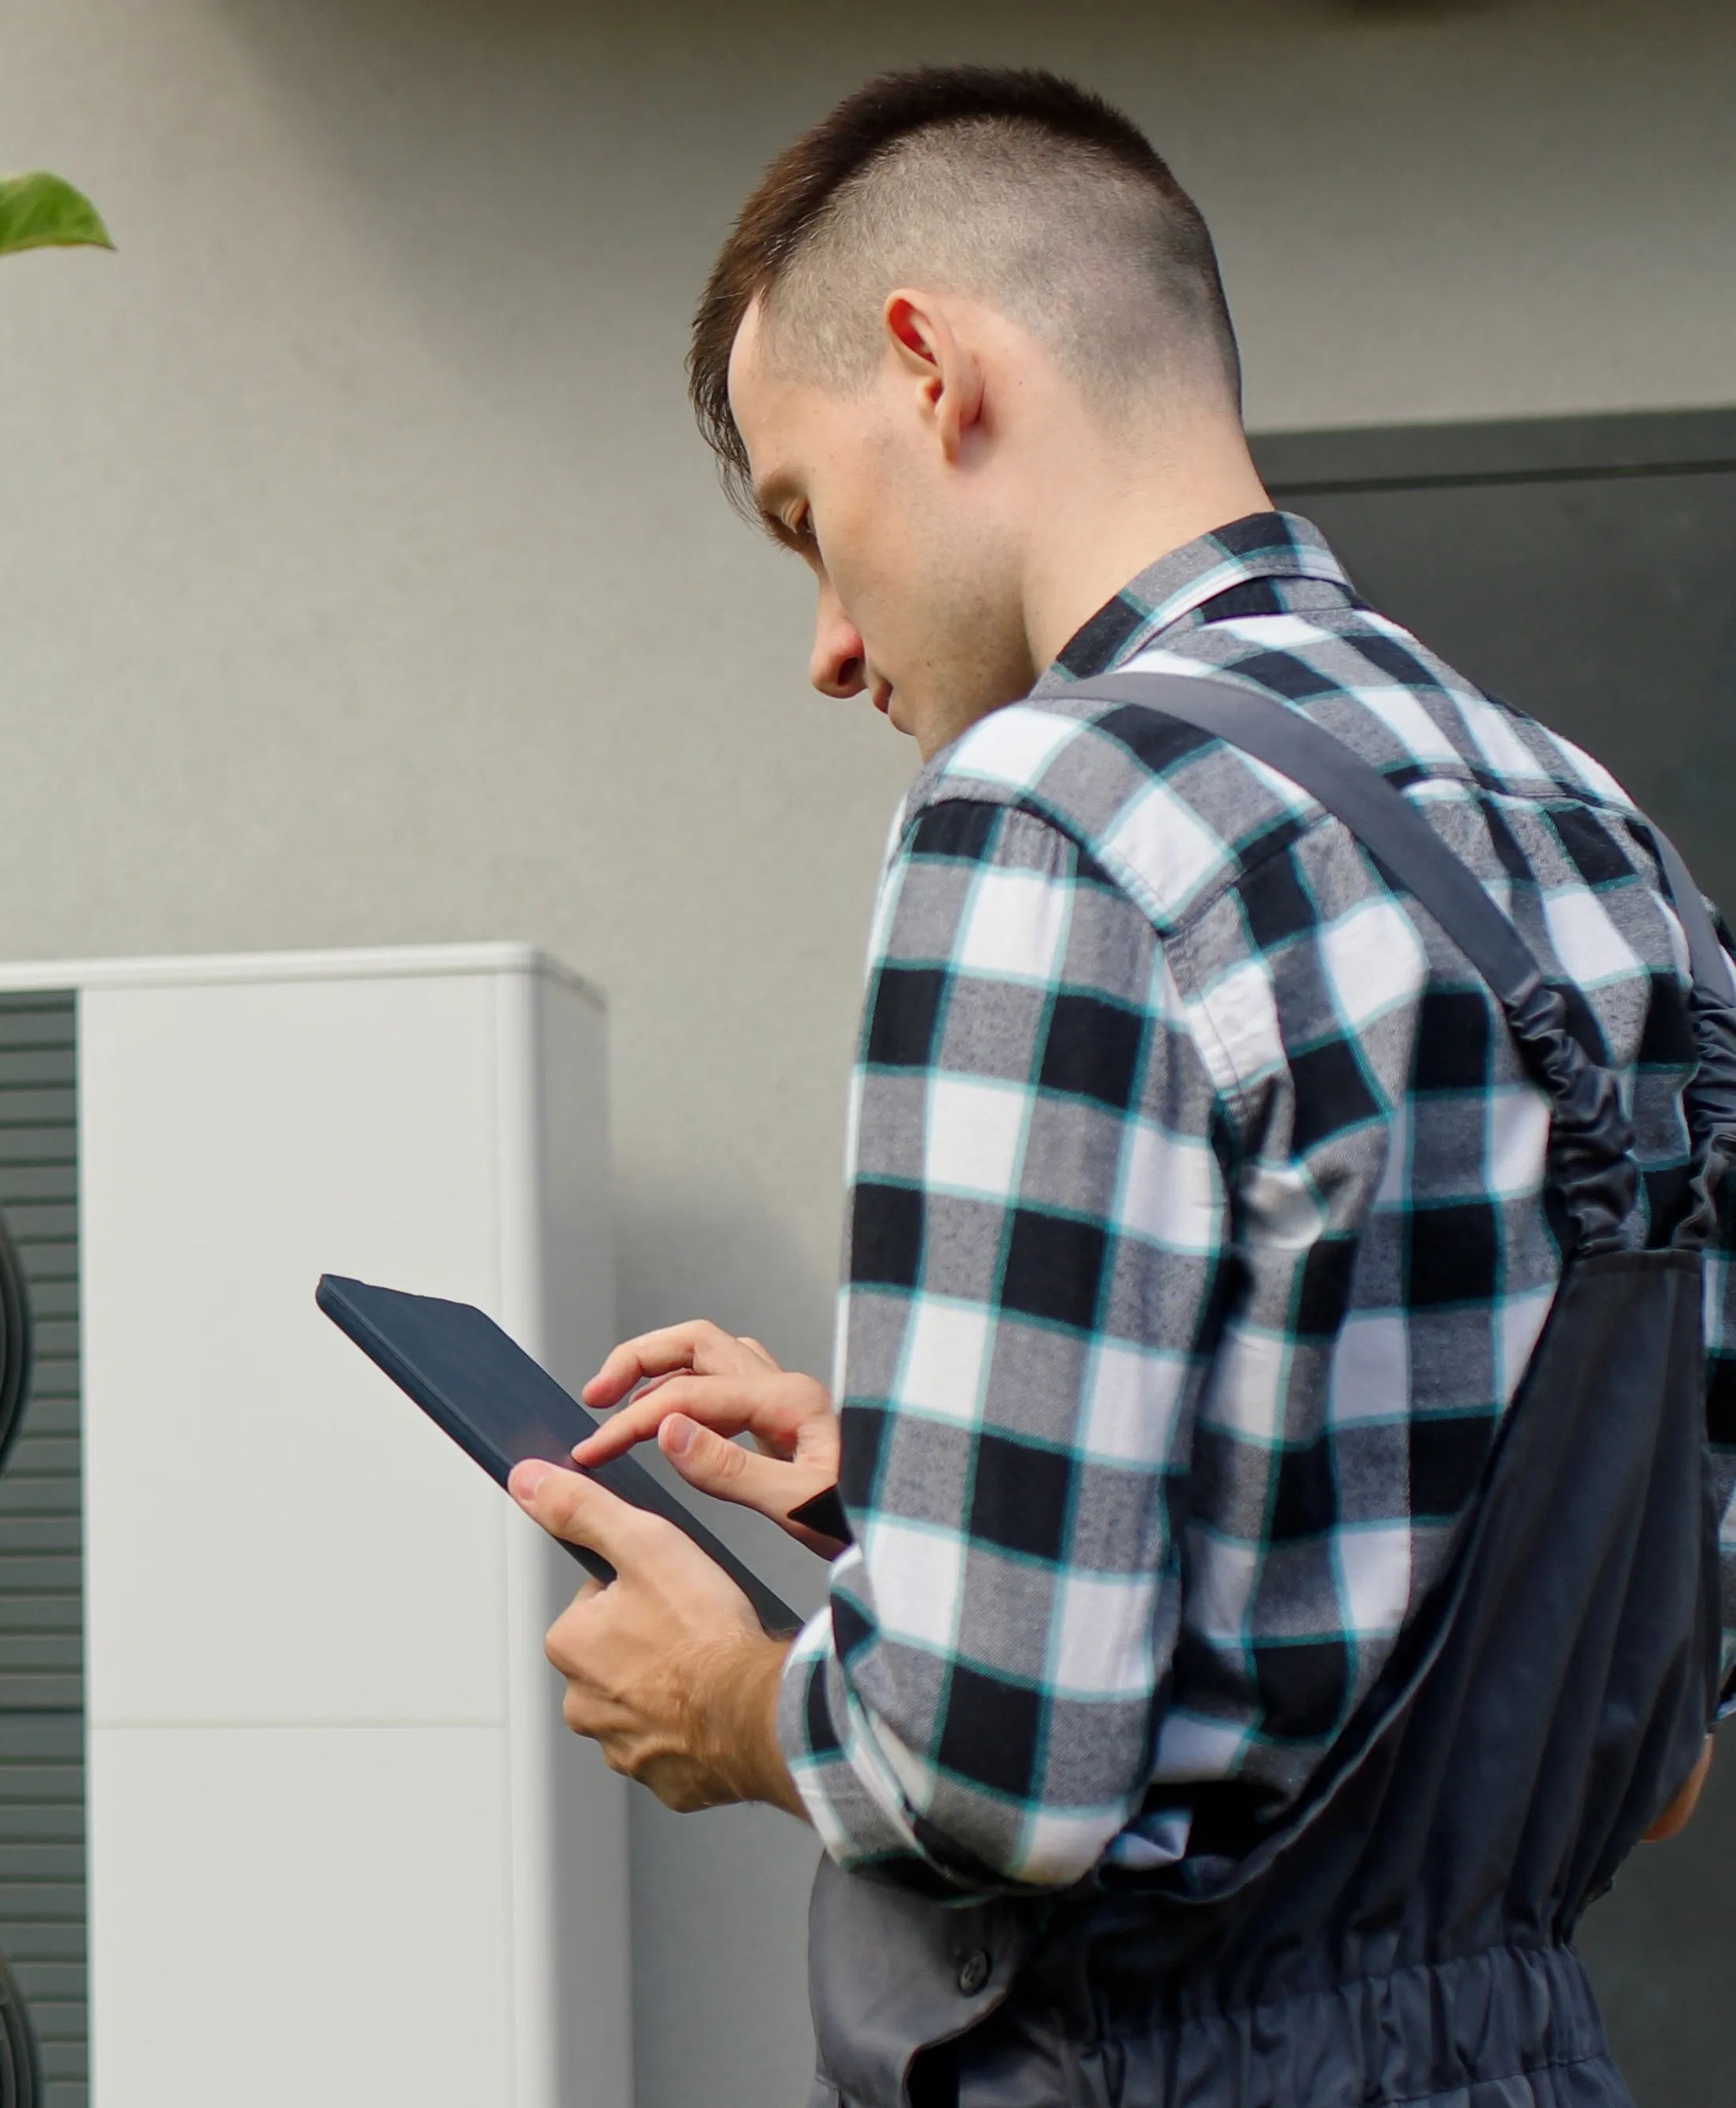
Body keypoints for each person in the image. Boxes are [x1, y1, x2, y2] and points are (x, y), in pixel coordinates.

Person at [505, 64, 1736, 2106]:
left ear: (932, 367)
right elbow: (1654, 1742)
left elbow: (990, 1771)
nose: (823, 643)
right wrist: (898, 1486)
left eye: (809, 517)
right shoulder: (1607, 843)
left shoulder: (1054, 810)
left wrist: (740, 1708)